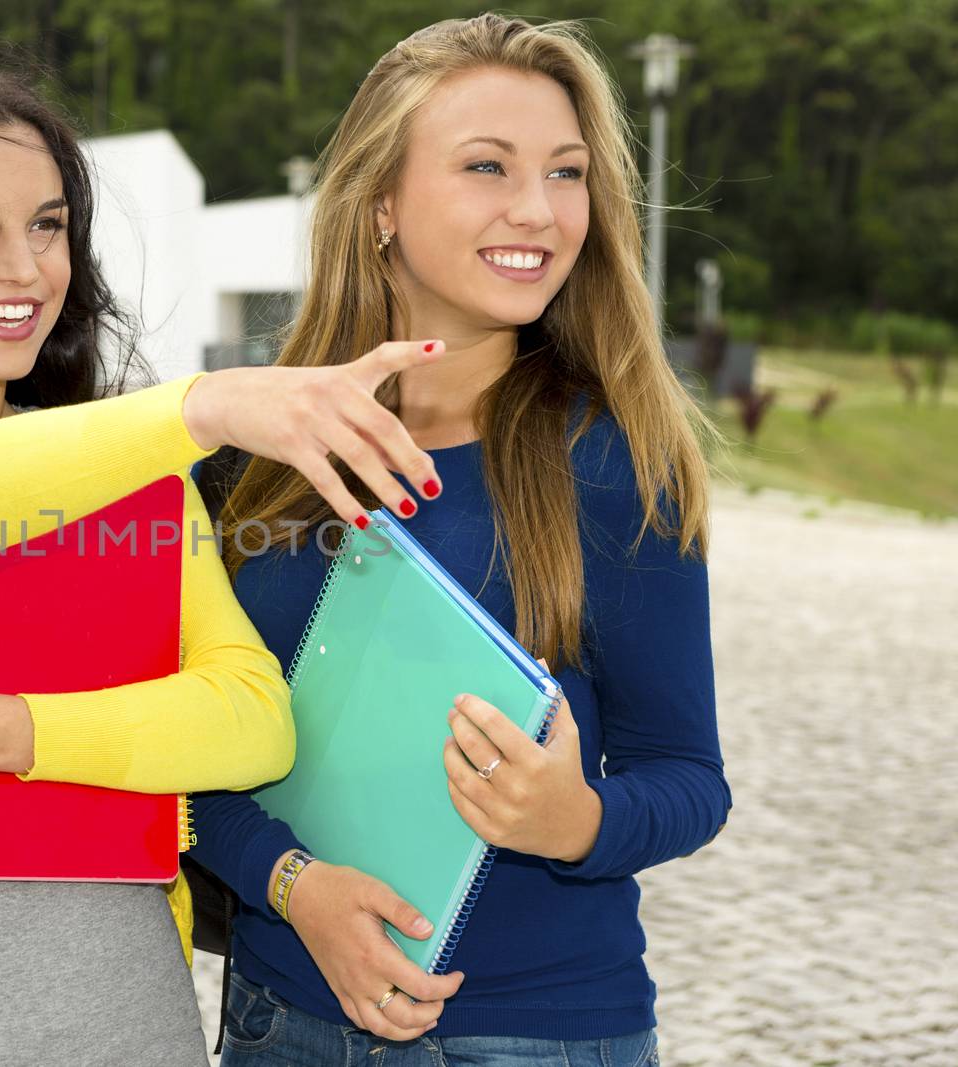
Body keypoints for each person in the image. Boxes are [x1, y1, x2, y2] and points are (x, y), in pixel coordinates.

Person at [0, 52, 447, 1065]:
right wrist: (202, 406)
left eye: (47, 224)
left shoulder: (139, 479)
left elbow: (253, 720)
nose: (21, 269)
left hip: (130, 1017)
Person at [189, 14, 731, 1067]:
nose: (538, 209)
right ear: (379, 202)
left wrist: (574, 818)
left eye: (565, 173)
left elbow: (687, 775)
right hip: (276, 1018)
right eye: (487, 166)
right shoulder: (247, 462)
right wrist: (292, 886)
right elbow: (187, 756)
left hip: (541, 1034)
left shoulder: (619, 462)